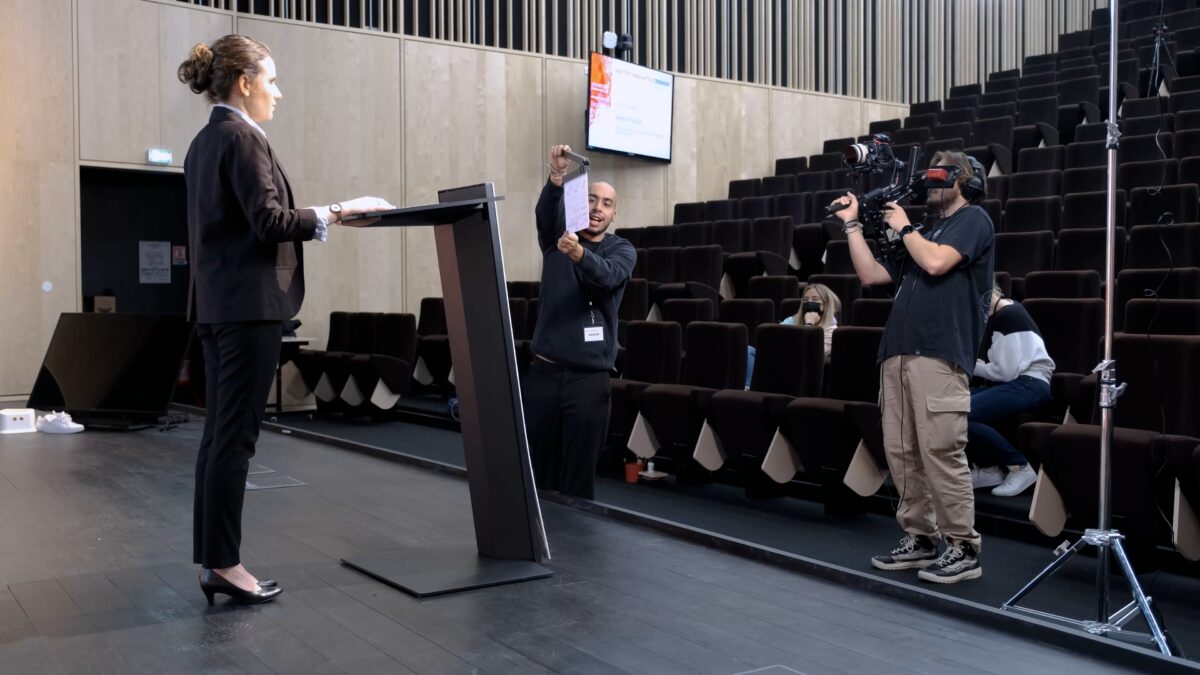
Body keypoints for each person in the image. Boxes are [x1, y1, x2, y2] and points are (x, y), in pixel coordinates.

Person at [178, 35, 393, 605]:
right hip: (248, 310)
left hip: (216, 308)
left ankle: (215, 561)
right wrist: (340, 212)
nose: (278, 92)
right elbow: (269, 222)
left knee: (219, 438)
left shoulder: (203, 142)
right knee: (235, 441)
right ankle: (224, 565)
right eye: (271, 81)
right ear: (244, 82)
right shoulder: (242, 138)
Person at [832, 150, 994, 584]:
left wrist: (903, 227)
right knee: (901, 452)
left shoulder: (973, 220)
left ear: (965, 182)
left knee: (941, 450)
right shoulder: (925, 232)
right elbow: (872, 276)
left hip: (938, 353)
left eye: (942, 176)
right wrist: (852, 225)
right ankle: (921, 537)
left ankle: (963, 547)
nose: (931, 184)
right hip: (898, 352)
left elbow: (937, 262)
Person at [522, 144, 636, 499]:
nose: (598, 208)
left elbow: (608, 276)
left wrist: (580, 254)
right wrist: (557, 176)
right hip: (544, 373)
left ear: (614, 213)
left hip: (588, 382)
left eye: (607, 203)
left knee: (578, 477)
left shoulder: (622, 249)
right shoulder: (556, 240)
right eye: (591, 199)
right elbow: (545, 214)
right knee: (537, 473)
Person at [968, 285, 1054, 497]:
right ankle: (989, 469)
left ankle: (1019, 466)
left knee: (961, 410)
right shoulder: (1003, 313)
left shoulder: (1008, 315)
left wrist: (971, 365)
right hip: (1019, 382)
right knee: (953, 403)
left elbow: (1005, 372)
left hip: (1031, 384)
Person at [745, 283, 841, 388]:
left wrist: (809, 324)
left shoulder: (831, 331)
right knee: (748, 350)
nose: (809, 303)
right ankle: (748, 387)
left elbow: (810, 354)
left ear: (826, 304)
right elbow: (772, 337)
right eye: (805, 300)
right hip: (779, 358)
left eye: (815, 299)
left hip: (797, 368)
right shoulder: (792, 320)